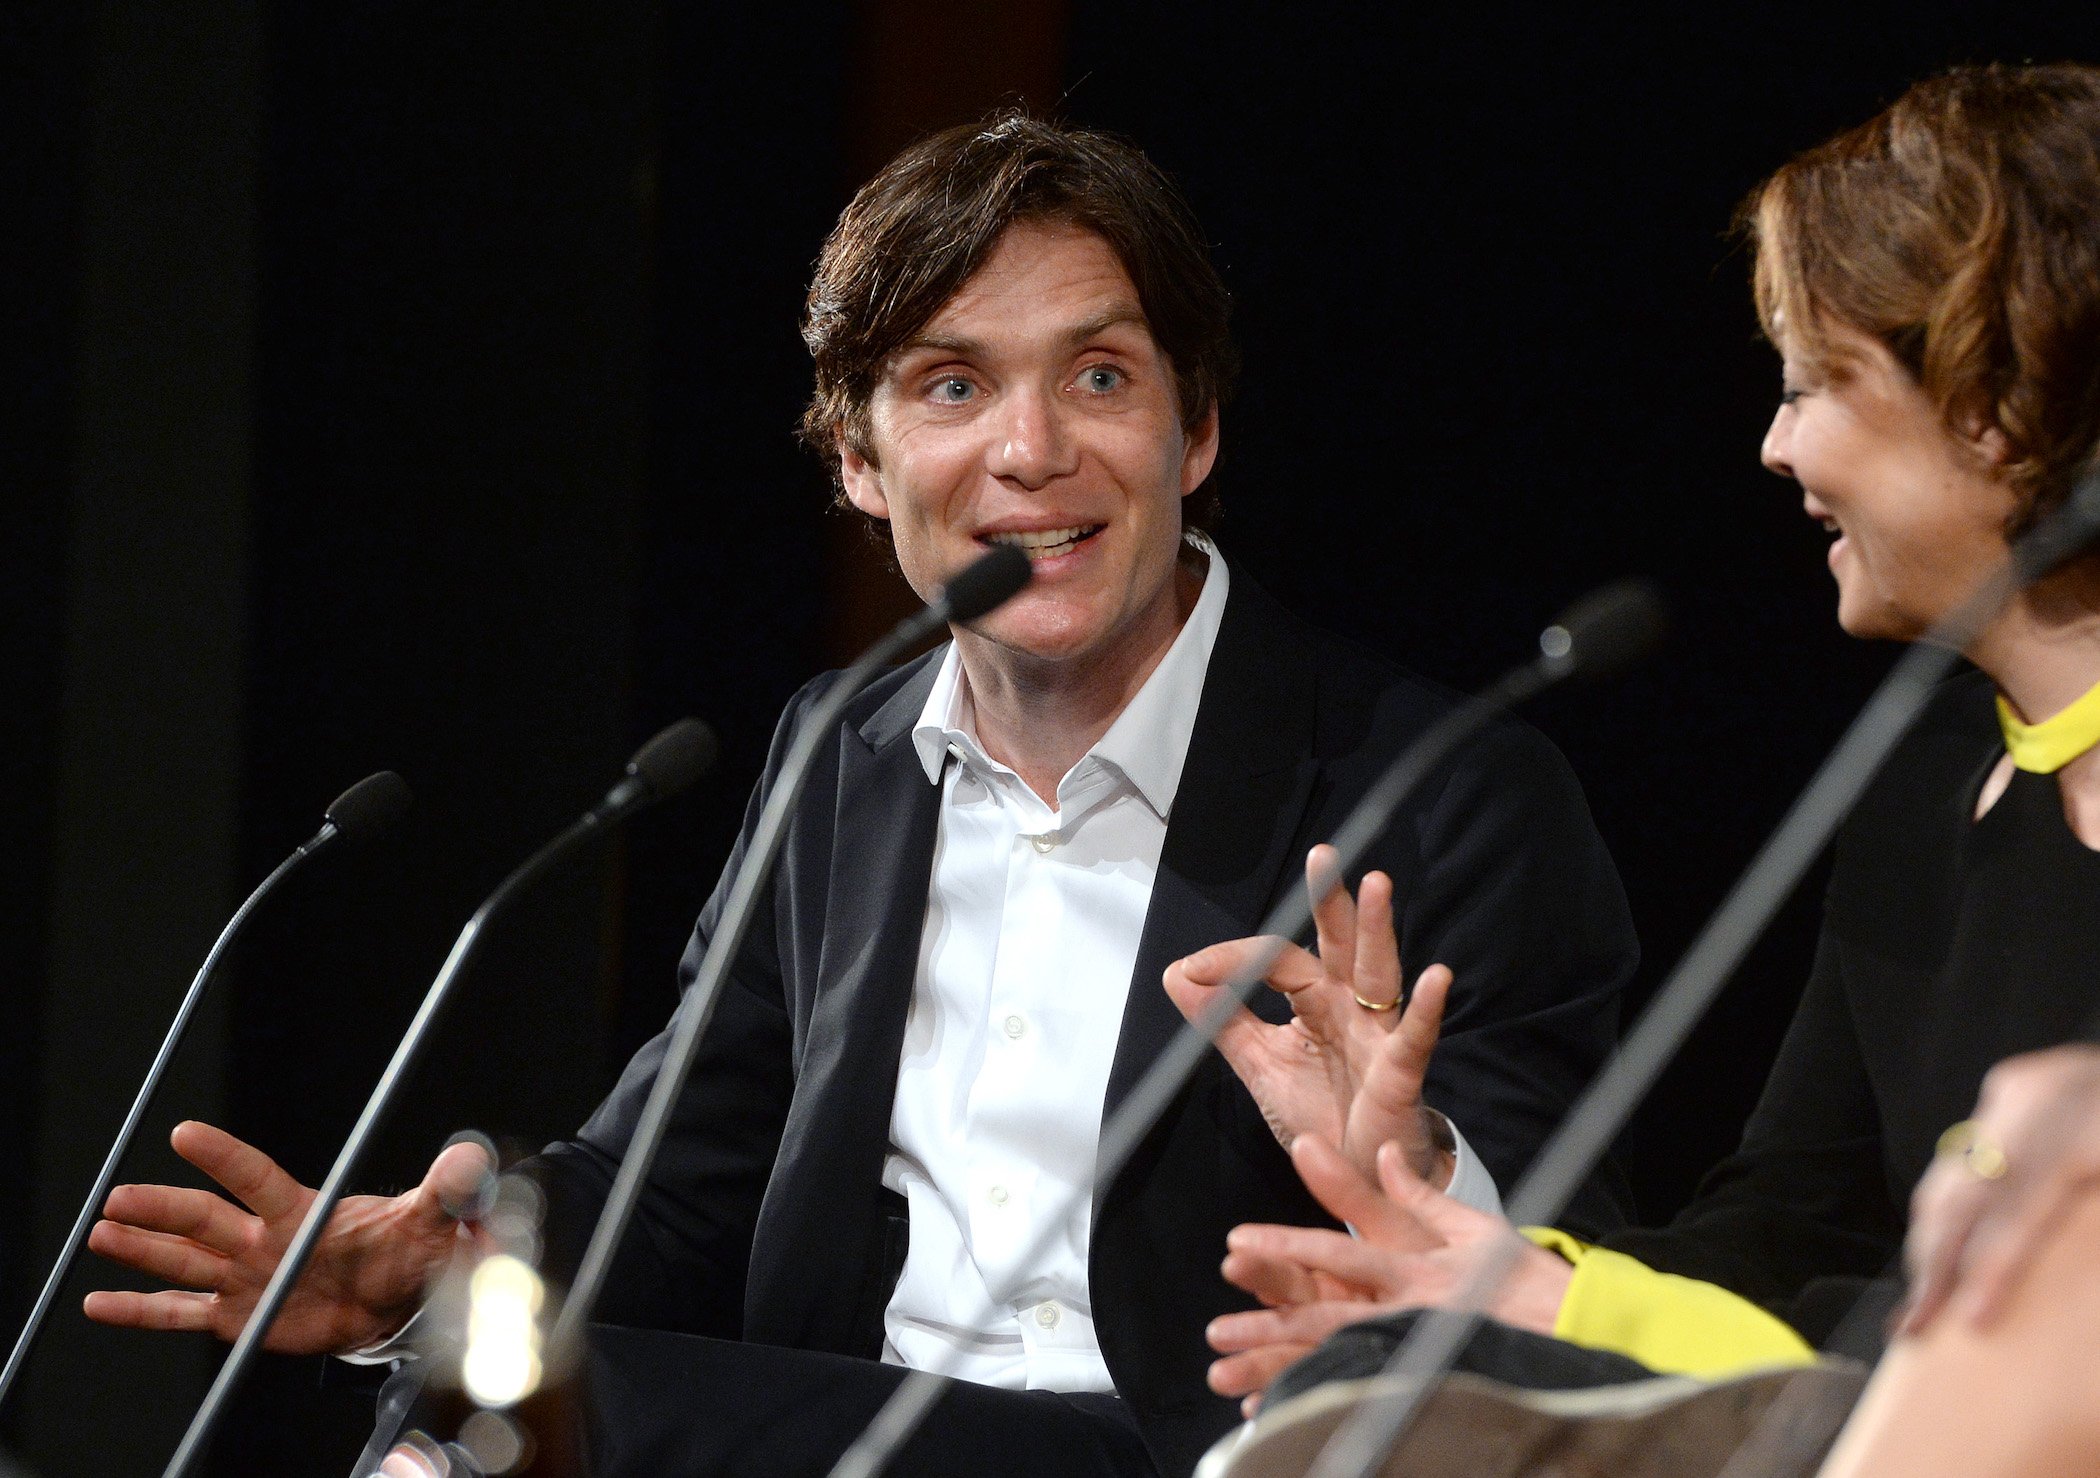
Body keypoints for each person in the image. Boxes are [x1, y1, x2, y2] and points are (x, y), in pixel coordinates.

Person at [82, 112, 1640, 1477]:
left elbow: (1578, 1295)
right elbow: (670, 1186)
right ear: (857, 460)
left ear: (1197, 426)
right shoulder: (843, 753)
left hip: (1204, 1448)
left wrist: (1416, 1171)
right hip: (867, 1423)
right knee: (485, 1372)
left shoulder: (1441, 791)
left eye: (1099, 374)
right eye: (953, 386)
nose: (1033, 452)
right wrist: (431, 1281)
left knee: (569, 1410)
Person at [1178, 59, 2100, 1433]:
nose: (1780, 447)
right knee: (1374, 1388)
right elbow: (1786, 1235)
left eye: (1818, 382)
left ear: (1997, 400)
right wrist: (1475, 1258)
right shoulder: (1918, 776)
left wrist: (1574, 1317)